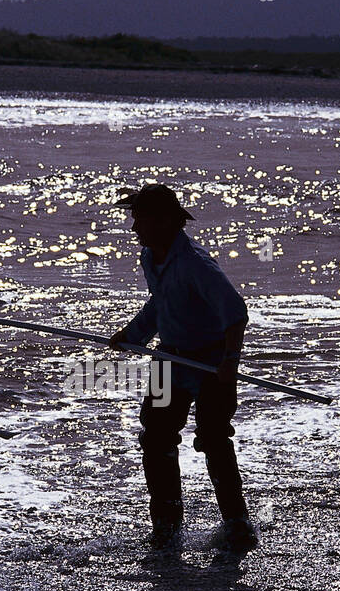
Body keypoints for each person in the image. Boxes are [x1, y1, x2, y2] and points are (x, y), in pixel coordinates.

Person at [108, 183, 258, 552]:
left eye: (139, 220)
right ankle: (166, 525)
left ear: (163, 221)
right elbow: (161, 304)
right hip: (168, 360)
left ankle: (237, 523)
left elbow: (235, 312)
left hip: (209, 361)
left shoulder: (195, 264)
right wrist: (133, 334)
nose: (133, 229)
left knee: (213, 438)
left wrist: (230, 361)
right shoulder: (150, 256)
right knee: (156, 437)